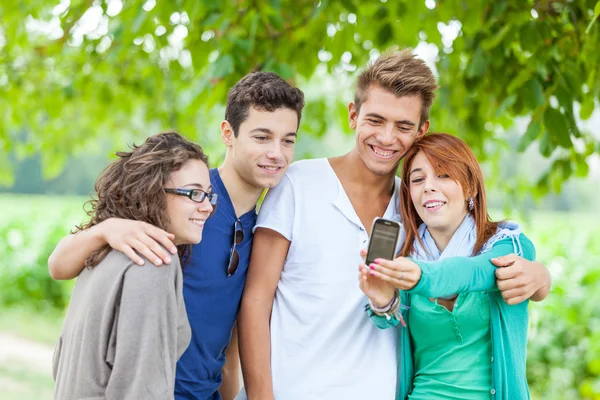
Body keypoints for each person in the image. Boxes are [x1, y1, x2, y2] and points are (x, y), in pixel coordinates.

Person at [237, 50, 551, 399]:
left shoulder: (417, 208)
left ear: (421, 131)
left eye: (403, 126)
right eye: (375, 120)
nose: (387, 138)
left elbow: (479, 260)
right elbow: (255, 300)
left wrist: (540, 278)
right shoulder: (297, 183)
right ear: (353, 115)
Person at [47, 72, 305, 400]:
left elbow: (228, 351)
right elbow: (59, 265)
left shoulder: (265, 229)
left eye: (288, 140)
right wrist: (107, 228)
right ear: (229, 134)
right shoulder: (181, 202)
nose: (277, 153)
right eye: (262, 137)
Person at [360, 133, 540, 399]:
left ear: (471, 188)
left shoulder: (510, 245)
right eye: (418, 179)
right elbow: (387, 325)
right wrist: (383, 301)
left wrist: (421, 275)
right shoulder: (406, 257)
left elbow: (476, 272)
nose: (429, 186)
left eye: (443, 175)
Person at [52, 132, 216, 399]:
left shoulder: (104, 251)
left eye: (208, 195)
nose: (207, 206)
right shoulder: (153, 260)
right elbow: (142, 388)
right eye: (194, 193)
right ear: (152, 191)